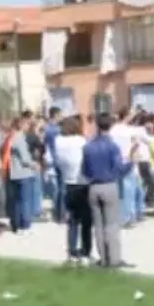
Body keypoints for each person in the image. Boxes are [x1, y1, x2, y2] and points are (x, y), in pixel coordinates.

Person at [82, 114, 127, 268]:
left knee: (99, 226)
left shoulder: (88, 147)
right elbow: (119, 169)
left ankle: (103, 258)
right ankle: (114, 259)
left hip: (93, 186)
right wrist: (132, 163)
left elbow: (85, 171)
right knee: (112, 224)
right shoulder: (113, 147)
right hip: (109, 184)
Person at [54, 117, 92, 265]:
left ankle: (71, 249)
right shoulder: (81, 141)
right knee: (86, 221)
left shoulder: (59, 142)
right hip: (82, 182)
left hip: (68, 181)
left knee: (73, 220)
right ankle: (85, 250)